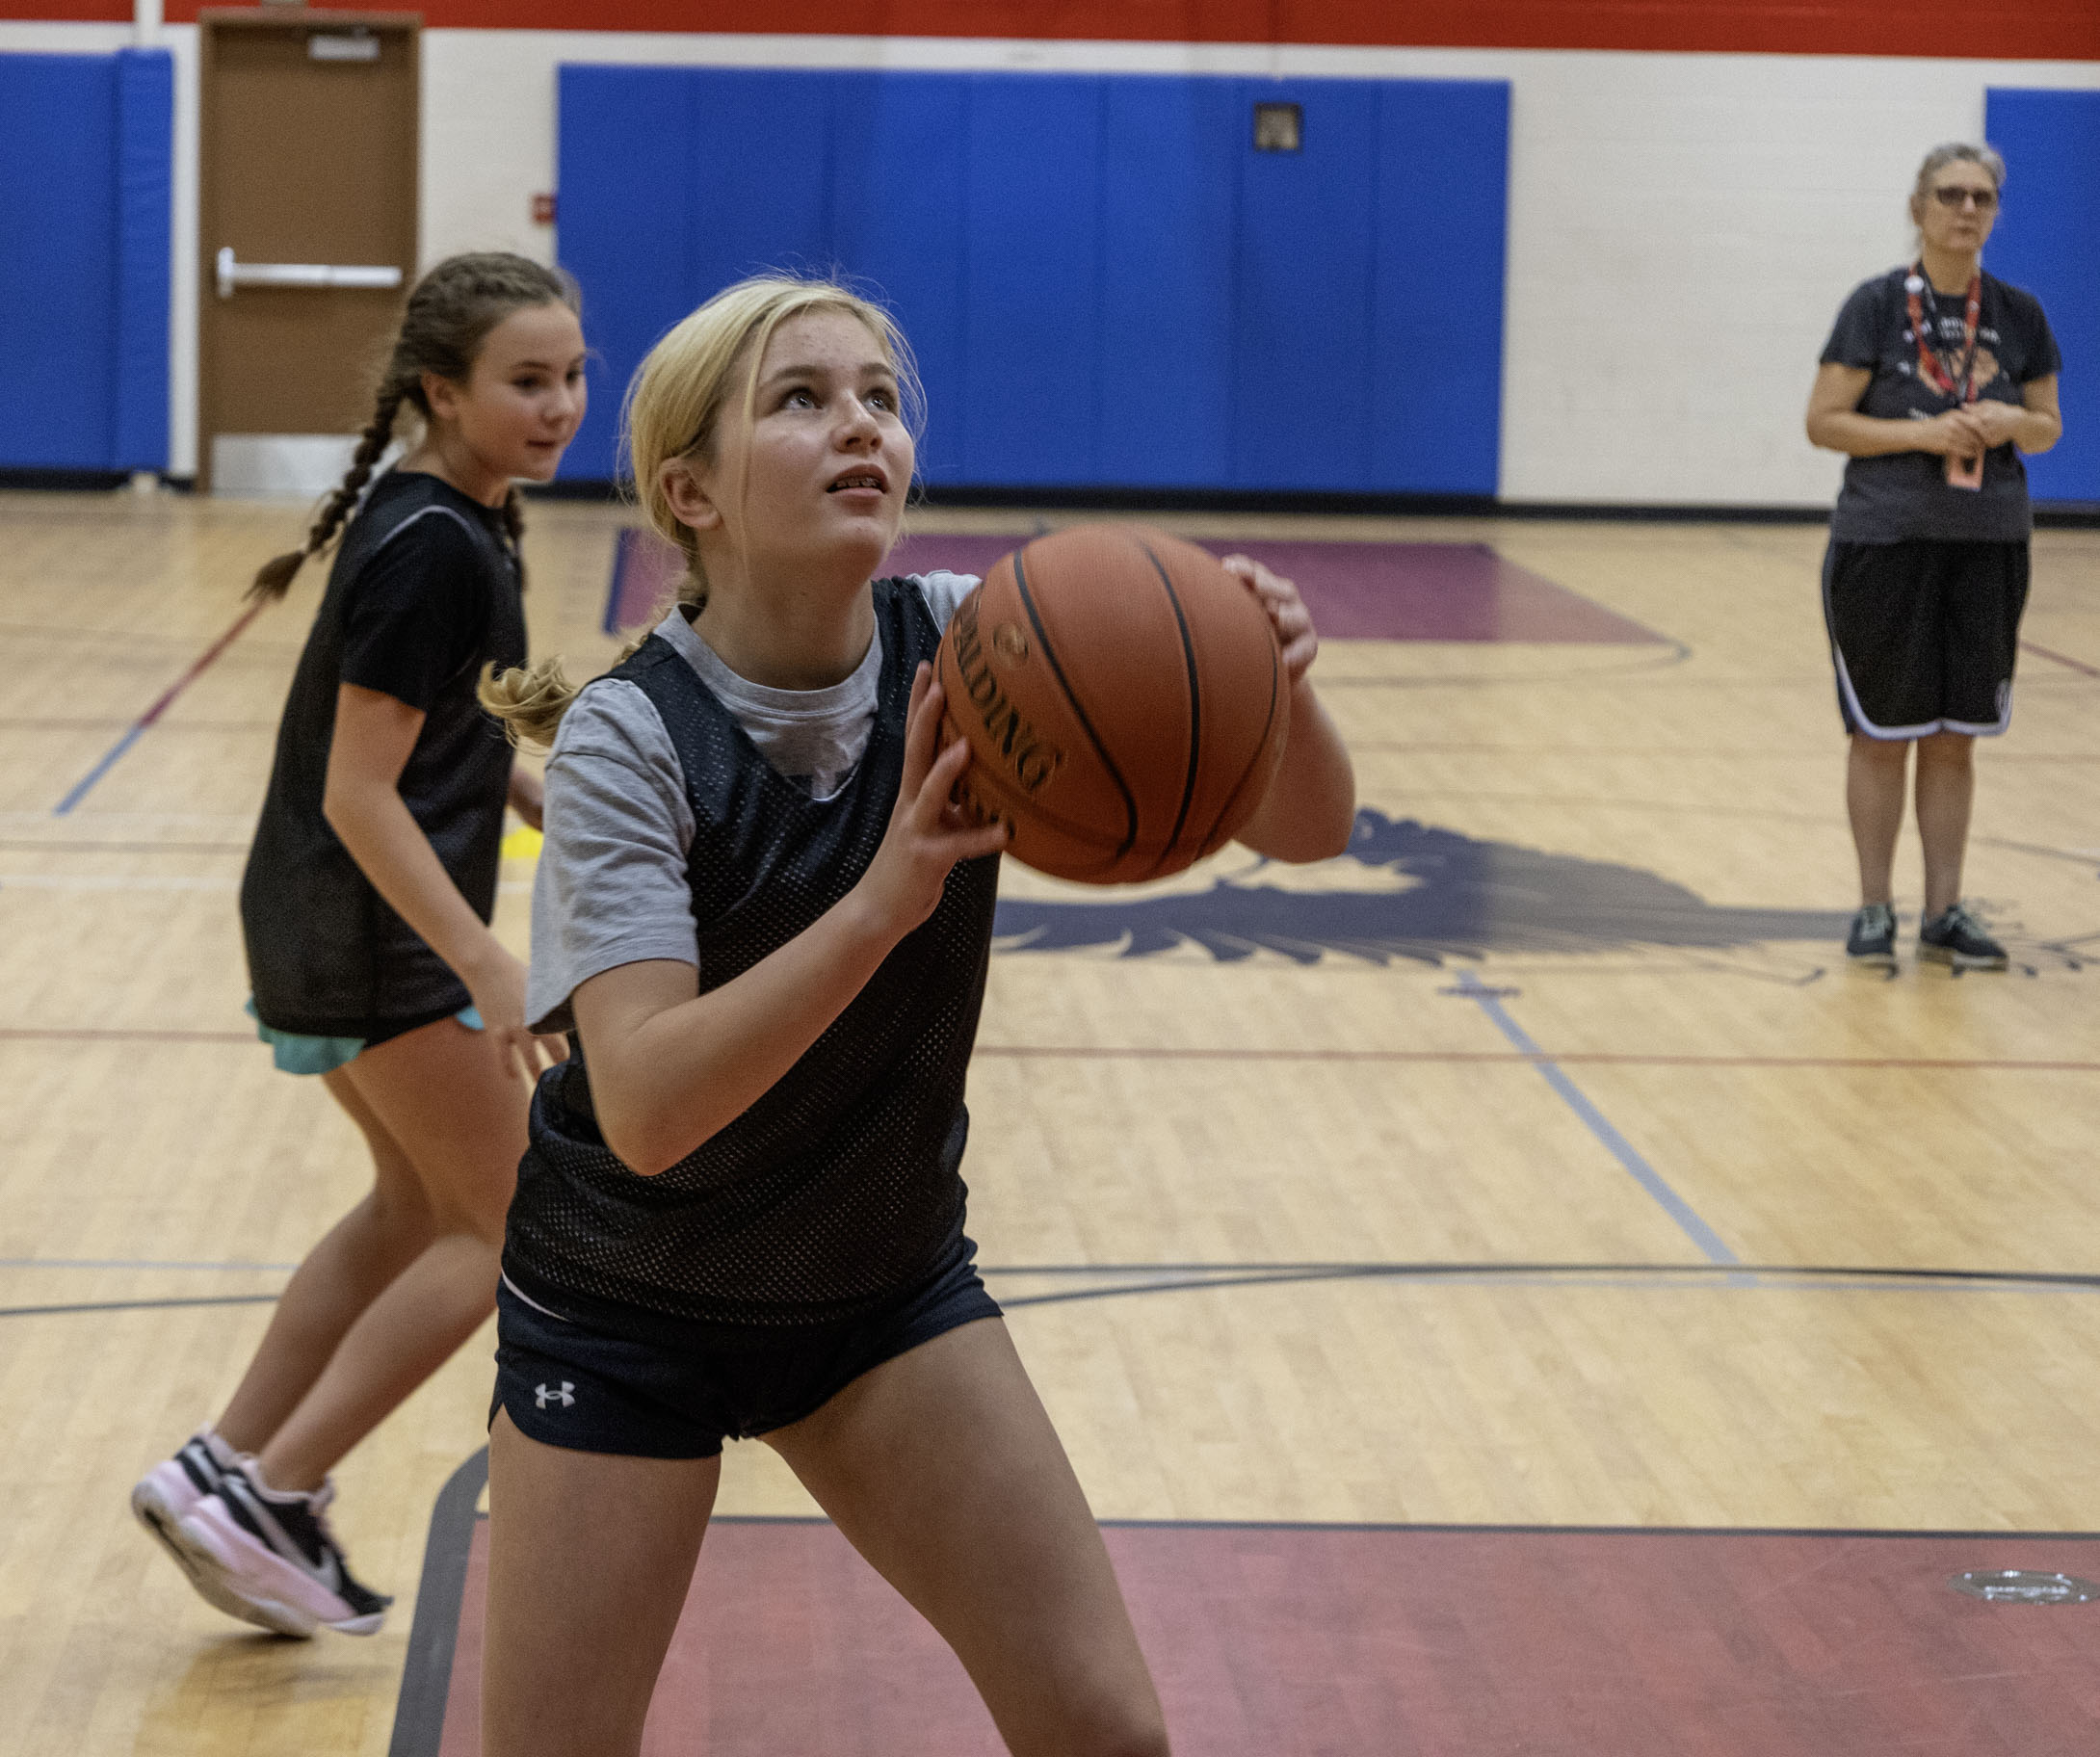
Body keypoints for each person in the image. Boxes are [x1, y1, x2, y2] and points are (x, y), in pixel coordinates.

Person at [472, 275, 1356, 1757]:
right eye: (802, 399)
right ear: (689, 492)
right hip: (627, 1302)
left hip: (876, 1288)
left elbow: (1313, 829)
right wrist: (883, 898)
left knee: (1103, 1727)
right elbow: (646, 1105)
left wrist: (1272, 681)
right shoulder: (632, 739)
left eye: (880, 396)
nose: (861, 426)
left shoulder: (973, 643)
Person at [130, 252, 587, 1638]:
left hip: (327, 919)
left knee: (411, 1206)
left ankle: (226, 1462)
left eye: (572, 375)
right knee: (508, 1224)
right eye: (526, 380)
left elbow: (456, 726)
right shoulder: (434, 544)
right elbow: (356, 786)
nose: (561, 402)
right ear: (441, 391)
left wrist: (549, 798)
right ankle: (281, 1485)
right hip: (372, 931)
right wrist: (484, 963)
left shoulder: (458, 517)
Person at [1805, 142, 2062, 971]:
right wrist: (1922, 431)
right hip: (1885, 541)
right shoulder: (1875, 307)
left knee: (1956, 737)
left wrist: (2009, 423)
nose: (1966, 209)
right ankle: (1874, 906)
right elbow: (1824, 421)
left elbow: (2048, 425)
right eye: (1950, 194)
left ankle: (1944, 911)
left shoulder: (2019, 312)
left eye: (1982, 197)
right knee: (1882, 735)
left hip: (1987, 544)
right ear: (1918, 208)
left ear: (1995, 212)